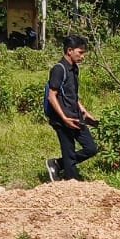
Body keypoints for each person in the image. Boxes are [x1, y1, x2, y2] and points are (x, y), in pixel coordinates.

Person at [44, 34, 99, 182]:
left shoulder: (74, 68)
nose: (83, 56)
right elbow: (51, 96)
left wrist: (84, 111)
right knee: (69, 153)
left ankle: (57, 164)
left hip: (75, 116)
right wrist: (64, 118)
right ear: (69, 51)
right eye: (80, 52)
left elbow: (72, 94)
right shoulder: (58, 69)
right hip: (62, 119)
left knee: (91, 148)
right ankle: (71, 182)